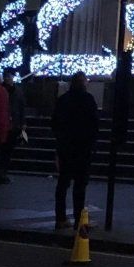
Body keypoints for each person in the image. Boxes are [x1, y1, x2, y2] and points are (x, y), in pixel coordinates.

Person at [51, 73, 99, 230]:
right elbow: (94, 124)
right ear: (84, 83)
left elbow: (55, 123)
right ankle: (79, 219)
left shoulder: (63, 100)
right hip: (82, 147)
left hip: (65, 146)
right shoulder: (88, 100)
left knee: (63, 183)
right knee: (80, 185)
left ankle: (60, 218)